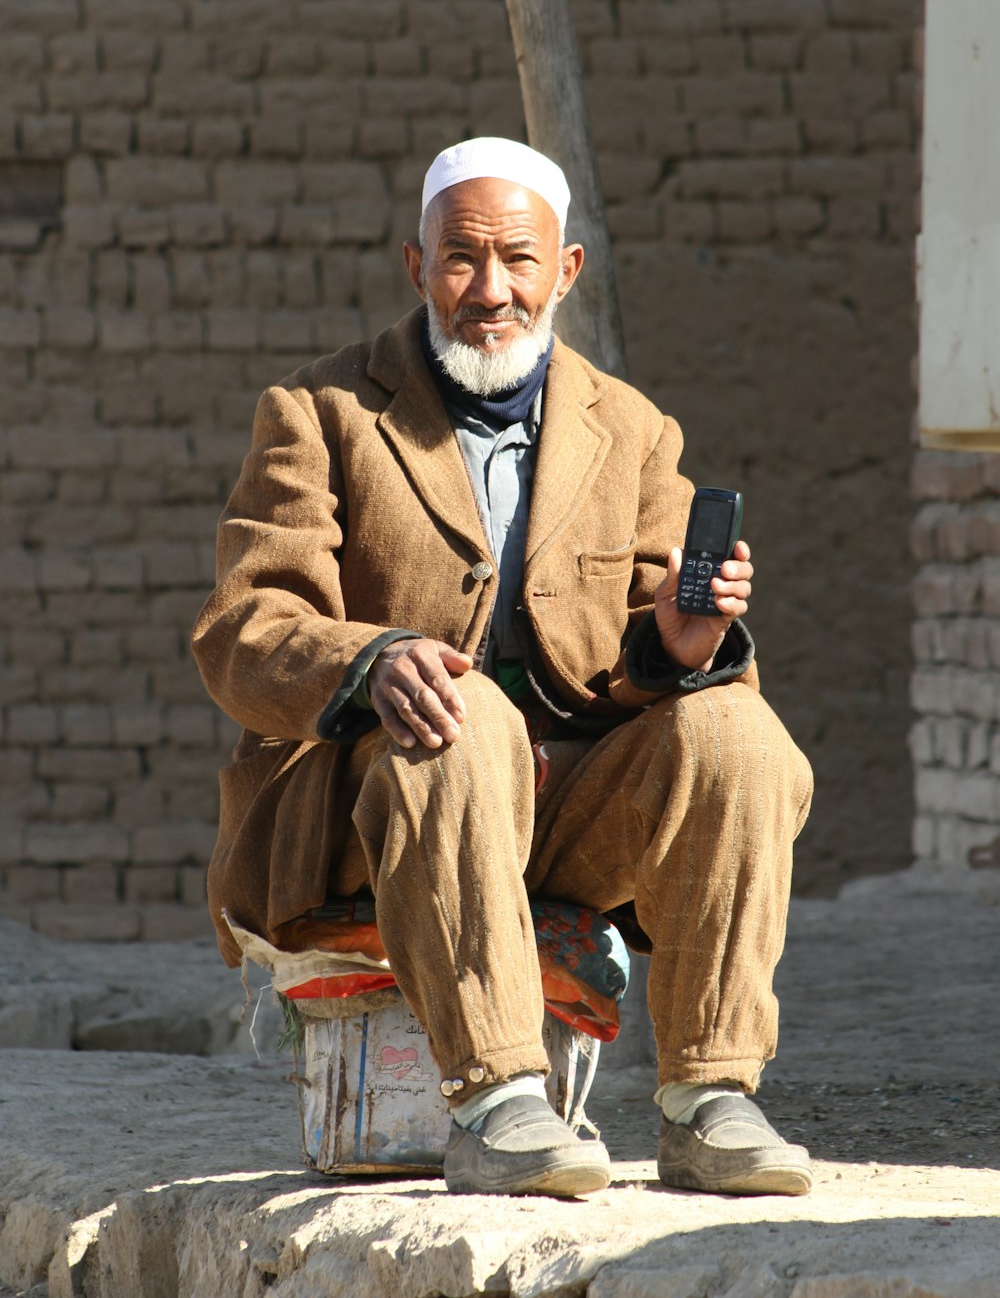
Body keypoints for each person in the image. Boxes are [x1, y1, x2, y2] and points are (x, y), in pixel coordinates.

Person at [192, 136, 814, 1199]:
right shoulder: (320, 413)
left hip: (565, 805)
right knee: (460, 711)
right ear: (415, 265)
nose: (491, 291)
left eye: (518, 261)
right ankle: (494, 1100)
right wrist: (372, 659)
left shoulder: (632, 432)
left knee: (740, 734)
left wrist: (674, 647)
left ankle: (710, 1098)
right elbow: (245, 627)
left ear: (564, 271)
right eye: (461, 260)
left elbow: (637, 651)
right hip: (382, 794)